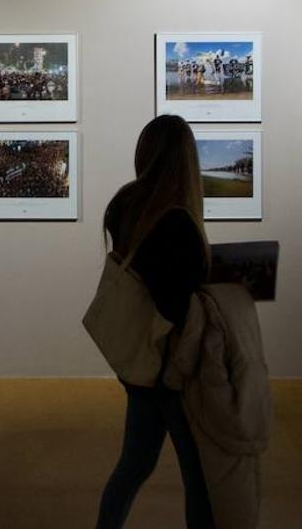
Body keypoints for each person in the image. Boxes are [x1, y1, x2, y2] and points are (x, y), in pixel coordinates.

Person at [95, 115, 213, 529]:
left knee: (134, 464)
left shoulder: (125, 204)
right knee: (197, 474)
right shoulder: (176, 219)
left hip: (145, 359)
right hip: (173, 362)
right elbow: (174, 299)